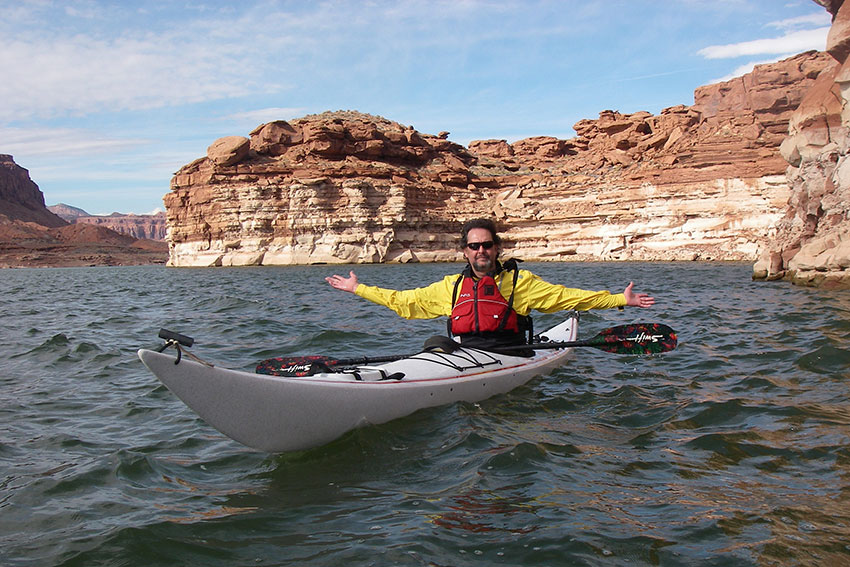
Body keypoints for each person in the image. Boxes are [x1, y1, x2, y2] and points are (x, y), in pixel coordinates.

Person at [326, 218, 654, 352]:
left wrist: (618, 300)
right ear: (465, 251)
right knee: (433, 340)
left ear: (496, 247)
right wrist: (359, 289)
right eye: (474, 246)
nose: (480, 251)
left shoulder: (519, 284)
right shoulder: (451, 287)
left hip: (512, 354)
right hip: (464, 354)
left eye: (486, 245)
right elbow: (405, 301)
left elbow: (567, 296)